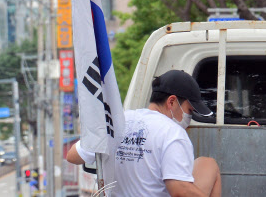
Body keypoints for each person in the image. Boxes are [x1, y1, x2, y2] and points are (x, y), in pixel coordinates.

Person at [67, 69, 222, 197]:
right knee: (209, 165)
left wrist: (100, 137)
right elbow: (179, 190)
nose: (189, 117)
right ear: (172, 102)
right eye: (189, 111)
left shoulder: (118, 122)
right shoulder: (173, 133)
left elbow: (72, 156)